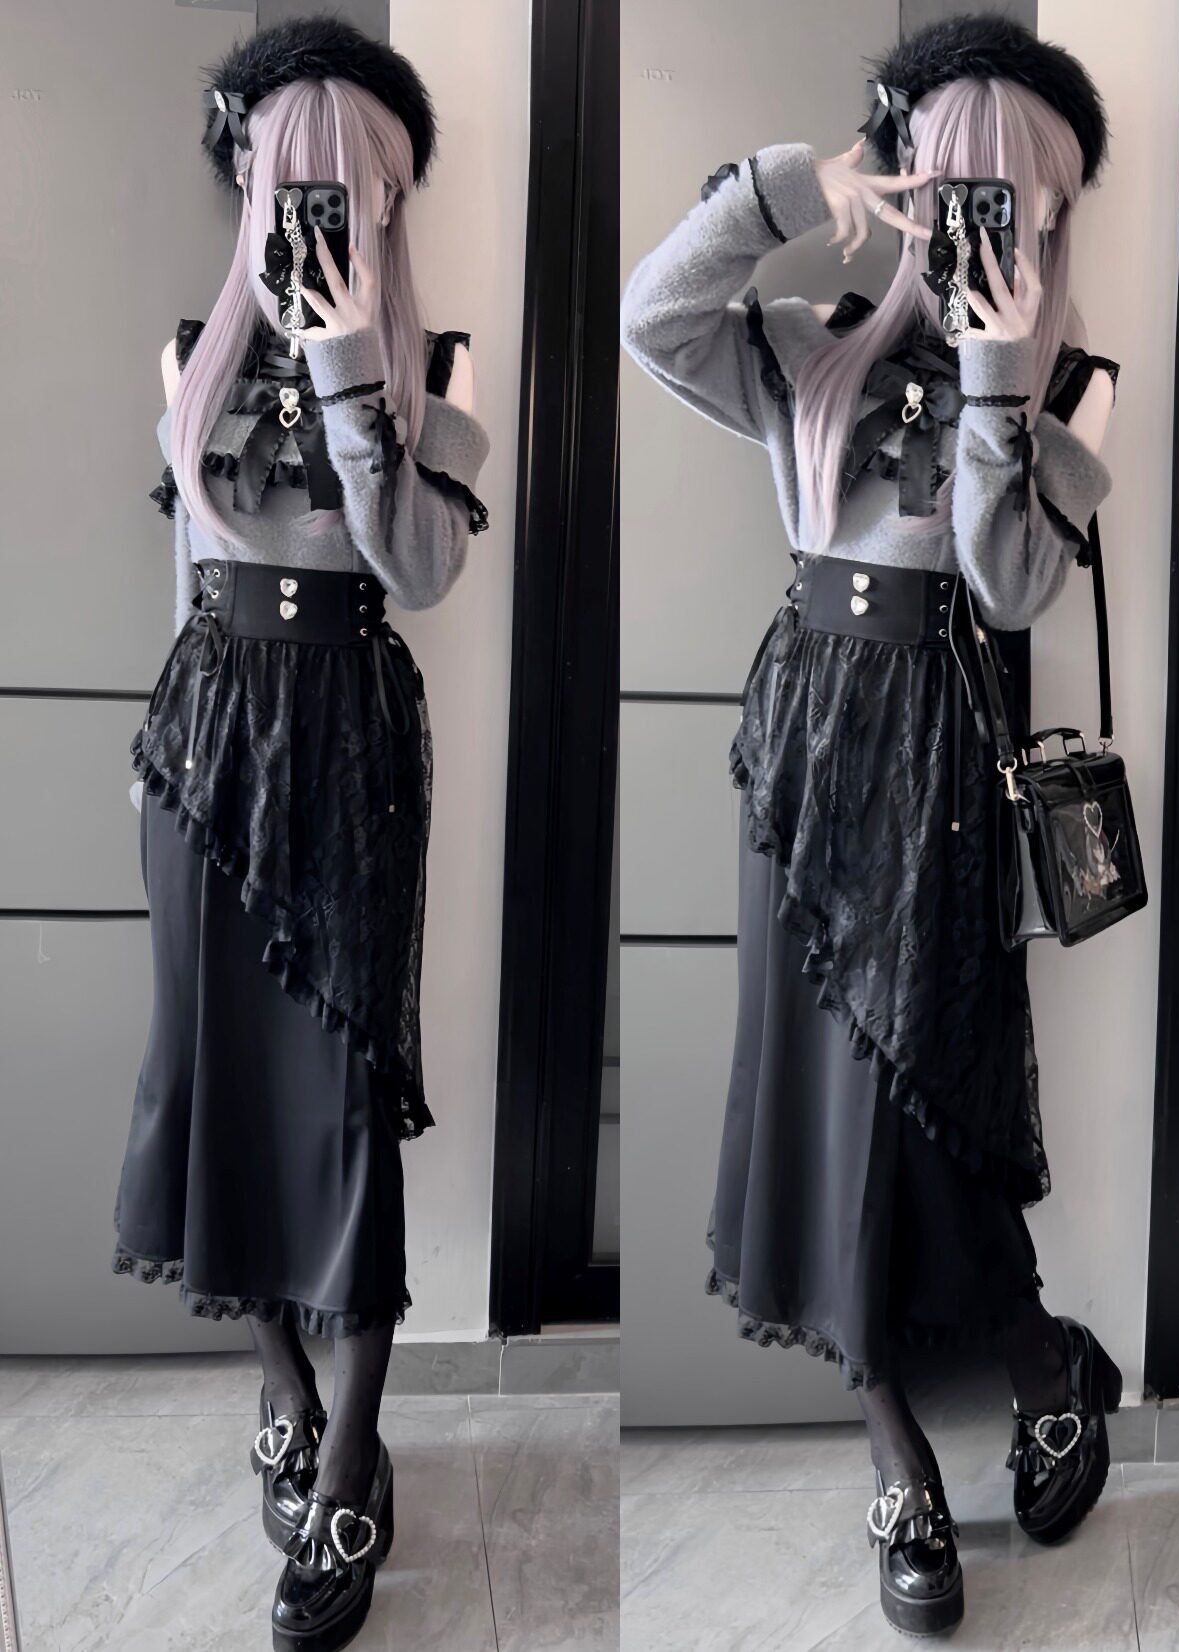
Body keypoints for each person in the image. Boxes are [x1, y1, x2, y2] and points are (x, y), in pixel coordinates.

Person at [621, 13, 1120, 1637]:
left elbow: (1007, 584)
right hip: (806, 748)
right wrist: (788, 192)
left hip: (946, 766)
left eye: (1019, 194)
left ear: (1053, 212)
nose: (990, 216)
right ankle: (898, 1460)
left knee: (934, 1103)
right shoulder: (811, 346)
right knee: (824, 1104)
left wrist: (1000, 372)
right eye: (961, 181)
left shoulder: (1075, 387)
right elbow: (651, 317)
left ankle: (1042, 1367)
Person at [110, 18, 489, 1649]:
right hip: (205, 751)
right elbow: (189, 576)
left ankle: (350, 1456)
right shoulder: (187, 358)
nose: (313, 207)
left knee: (339, 1107)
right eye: (288, 180)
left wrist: (344, 364)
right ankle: (278, 1380)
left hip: (347, 754)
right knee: (212, 1079)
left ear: (387, 197)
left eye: (344, 184)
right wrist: (158, 764)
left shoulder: (434, 372)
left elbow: (419, 571)